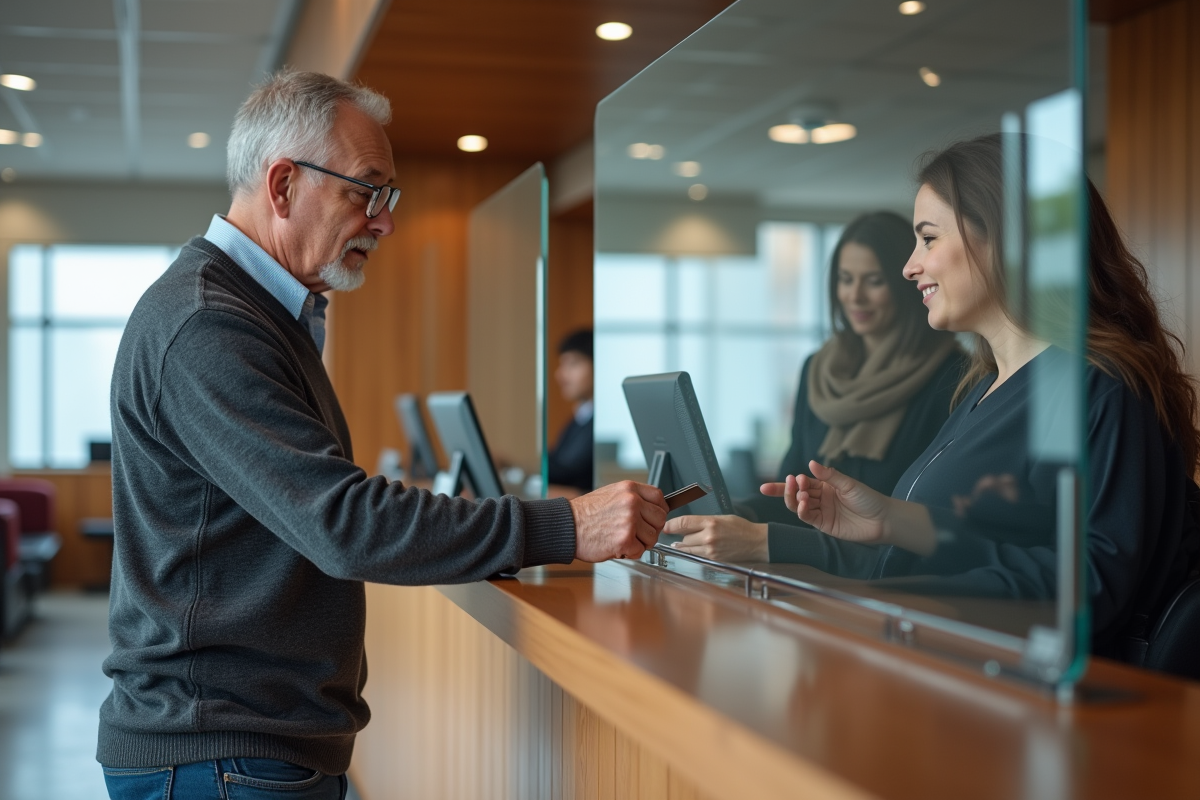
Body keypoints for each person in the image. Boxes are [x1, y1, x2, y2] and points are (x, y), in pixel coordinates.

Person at [97, 71, 668, 799]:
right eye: (367, 191)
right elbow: (343, 523)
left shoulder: (259, 313)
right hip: (221, 755)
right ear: (282, 187)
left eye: (388, 197)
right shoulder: (210, 325)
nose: (385, 220)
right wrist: (566, 526)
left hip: (240, 747)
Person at [764, 134, 1200, 660]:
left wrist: (889, 599)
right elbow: (1005, 545)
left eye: (928, 239)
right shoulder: (984, 386)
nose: (910, 267)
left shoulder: (1097, 386)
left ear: (1006, 239)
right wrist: (892, 522)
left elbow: (1089, 586)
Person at [666, 212, 963, 564]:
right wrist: (734, 516)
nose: (855, 296)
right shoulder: (817, 370)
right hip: (808, 578)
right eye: (845, 279)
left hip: (886, 583)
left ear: (904, 284)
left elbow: (933, 526)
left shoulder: (952, 377)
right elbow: (788, 493)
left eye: (874, 281)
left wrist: (766, 540)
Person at [547, 329, 595, 494]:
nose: (560, 374)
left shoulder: (600, 423)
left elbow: (569, 471)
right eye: (562, 365)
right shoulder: (578, 420)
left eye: (573, 364)